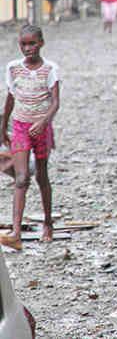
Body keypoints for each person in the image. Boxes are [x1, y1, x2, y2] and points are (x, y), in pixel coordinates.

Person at [0, 25, 60, 250]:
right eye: (24, 44)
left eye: (32, 43)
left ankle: (47, 224)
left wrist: (43, 122)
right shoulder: (13, 68)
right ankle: (16, 232)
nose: (28, 48)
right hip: (20, 127)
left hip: (42, 128)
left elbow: (55, 102)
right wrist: (3, 127)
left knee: (42, 176)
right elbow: (11, 97)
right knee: (21, 177)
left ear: (41, 43)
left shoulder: (50, 69)